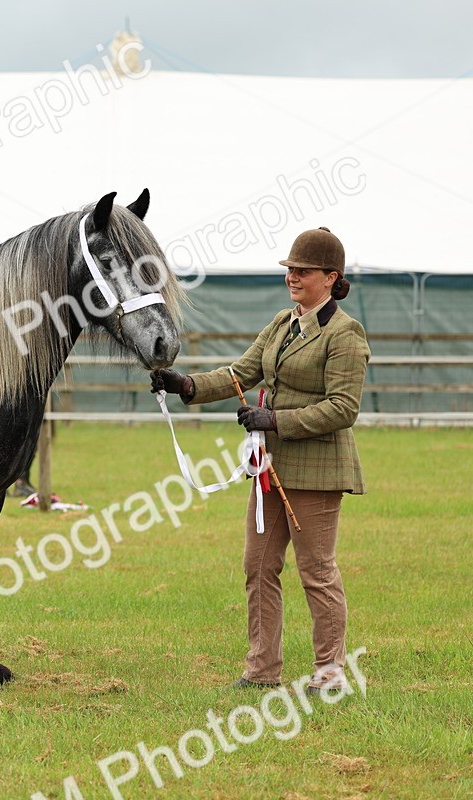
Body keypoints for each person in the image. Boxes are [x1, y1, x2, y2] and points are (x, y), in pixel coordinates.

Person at [150, 227, 370, 694]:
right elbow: (239, 373)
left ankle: (330, 674)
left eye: (302, 271)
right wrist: (185, 385)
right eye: (290, 269)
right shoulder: (281, 323)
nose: (292, 277)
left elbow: (343, 408)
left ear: (330, 278)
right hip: (268, 470)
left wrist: (275, 419)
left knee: (317, 572)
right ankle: (261, 668)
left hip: (316, 471)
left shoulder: (345, 333)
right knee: (258, 566)